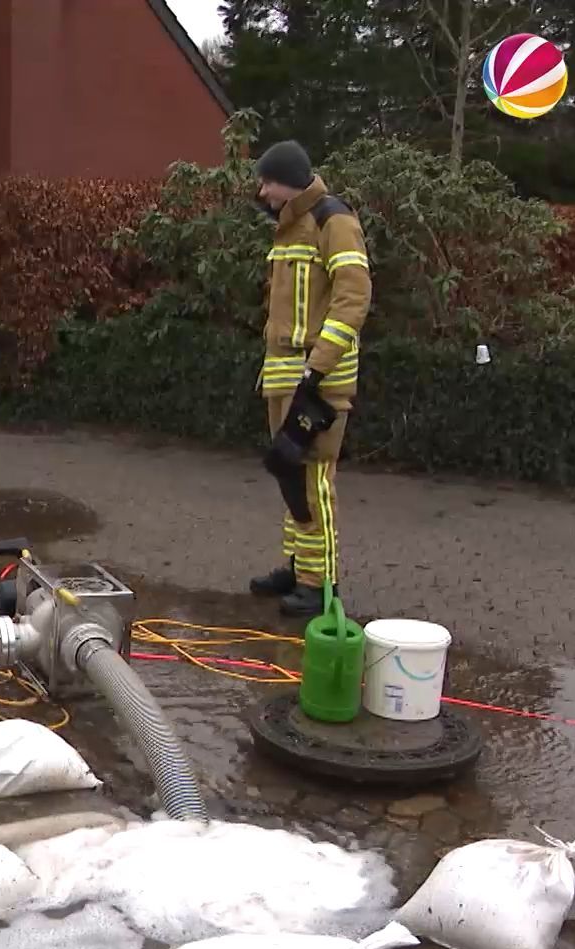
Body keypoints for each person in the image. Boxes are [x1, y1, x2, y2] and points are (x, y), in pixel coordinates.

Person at [246, 140, 373, 617]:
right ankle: (298, 569)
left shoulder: (331, 219)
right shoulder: (289, 227)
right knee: (289, 473)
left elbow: (353, 297)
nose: (262, 190)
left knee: (315, 481)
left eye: (267, 181)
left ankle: (322, 586)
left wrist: (318, 366)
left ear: (287, 180)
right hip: (285, 376)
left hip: (319, 380)